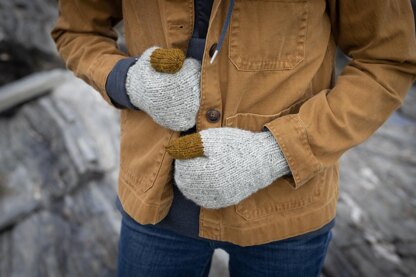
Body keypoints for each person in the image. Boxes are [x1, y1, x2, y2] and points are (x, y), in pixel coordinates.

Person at [50, 0, 416, 276]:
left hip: (286, 214)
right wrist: (128, 80)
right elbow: (77, 30)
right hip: (153, 204)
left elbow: (388, 60)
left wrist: (274, 153)